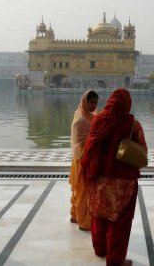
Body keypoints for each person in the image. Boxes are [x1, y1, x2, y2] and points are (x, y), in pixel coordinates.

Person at [80, 89, 147, 266]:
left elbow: (90, 147)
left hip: (99, 178)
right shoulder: (132, 123)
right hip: (122, 183)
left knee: (99, 215)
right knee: (119, 222)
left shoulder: (99, 120)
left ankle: (100, 249)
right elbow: (143, 151)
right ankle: (115, 260)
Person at [69, 90, 99, 230]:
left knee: (81, 190)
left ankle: (75, 214)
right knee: (84, 190)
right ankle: (84, 221)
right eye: (91, 103)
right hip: (82, 159)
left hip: (85, 157)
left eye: (95, 103)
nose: (94, 106)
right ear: (85, 102)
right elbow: (80, 142)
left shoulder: (89, 115)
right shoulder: (81, 119)